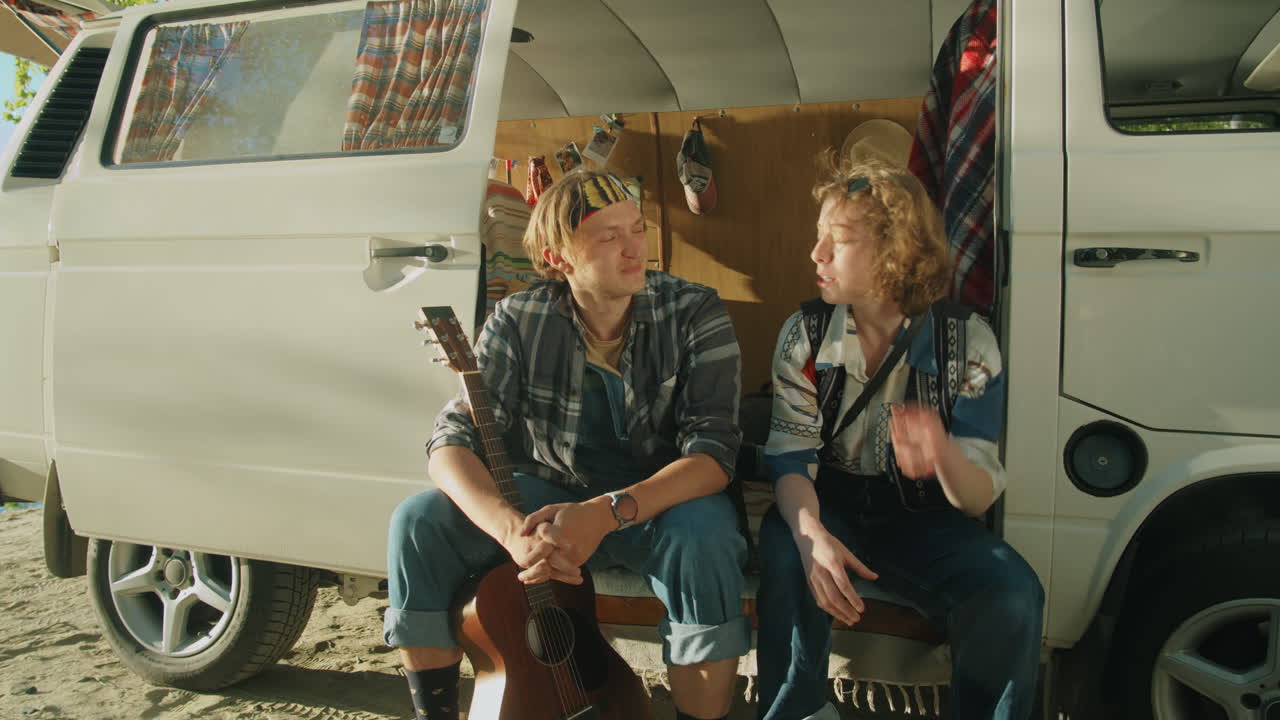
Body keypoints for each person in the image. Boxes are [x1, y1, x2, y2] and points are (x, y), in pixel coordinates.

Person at [384, 170, 750, 720]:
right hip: (547, 495)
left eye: (637, 228)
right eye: (608, 237)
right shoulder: (518, 318)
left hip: (656, 502)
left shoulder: (693, 310)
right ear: (558, 258)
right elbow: (450, 440)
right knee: (417, 520)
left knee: (707, 535)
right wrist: (511, 531)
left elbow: (714, 454)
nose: (633, 248)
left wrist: (606, 513)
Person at [755, 155, 1044, 720]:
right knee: (790, 562)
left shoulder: (969, 344)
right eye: (818, 237)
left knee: (1012, 594)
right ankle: (797, 711)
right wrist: (811, 534)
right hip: (826, 500)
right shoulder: (804, 336)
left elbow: (978, 497)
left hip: (925, 519)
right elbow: (791, 460)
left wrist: (940, 451)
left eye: (836, 240)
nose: (815, 254)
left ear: (894, 252)